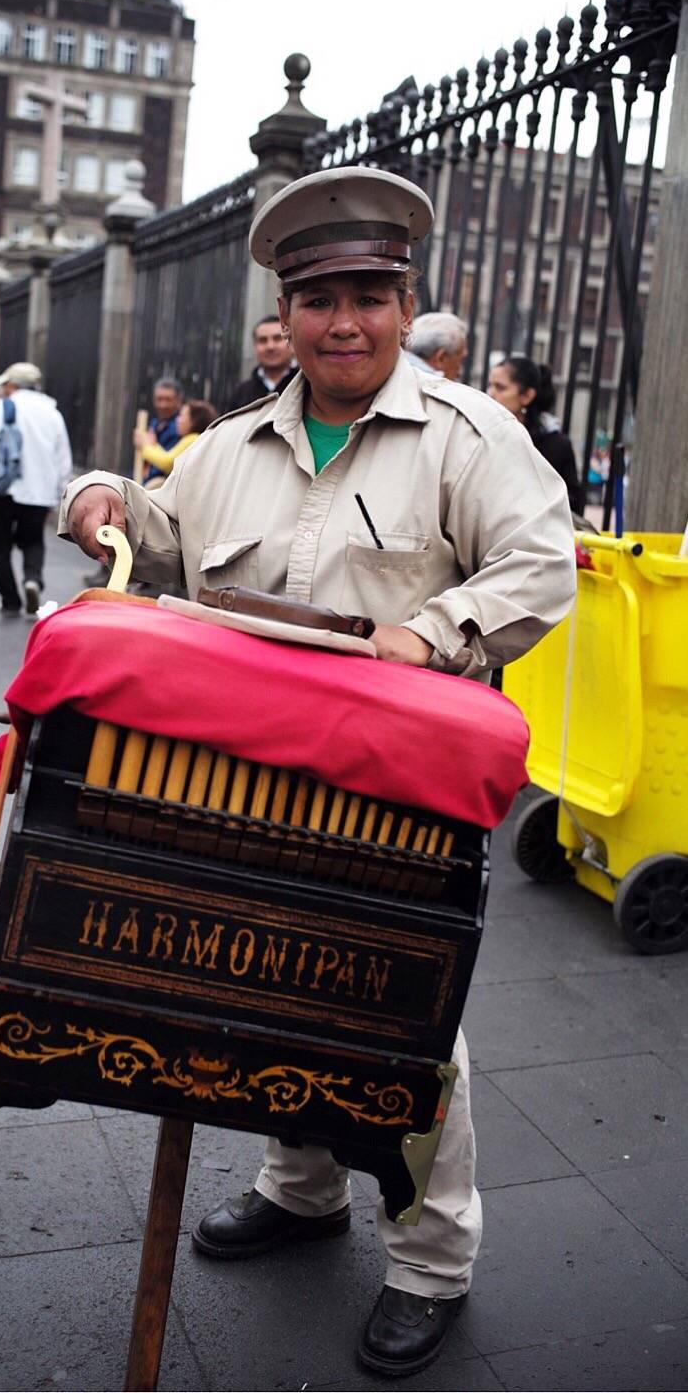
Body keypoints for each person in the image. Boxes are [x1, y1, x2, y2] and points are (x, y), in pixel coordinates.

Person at [59, 167, 576, 1378]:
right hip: (249, 788)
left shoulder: (471, 437)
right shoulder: (231, 445)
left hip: (400, 792)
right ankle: (301, 1189)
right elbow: (166, 544)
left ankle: (433, 1259)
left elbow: (543, 566)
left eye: (371, 295)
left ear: (405, 304)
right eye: (322, 299)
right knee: (268, 987)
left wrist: (430, 631)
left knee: (409, 1020)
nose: (347, 321)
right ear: (284, 317)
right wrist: (101, 495)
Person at [0, 361, 72, 617]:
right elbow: (63, 459)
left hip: (3, 489)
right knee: (33, 540)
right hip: (40, 492)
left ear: (12, 385)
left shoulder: (2, 407)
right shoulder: (53, 413)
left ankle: (10, 599)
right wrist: (62, 493)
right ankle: (32, 580)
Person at [487, 354, 585, 515]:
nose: (490, 393)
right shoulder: (485, 432)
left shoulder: (555, 444)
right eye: (490, 385)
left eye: (500, 387)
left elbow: (571, 502)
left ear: (527, 395)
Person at [132, 397, 217, 485]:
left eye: (181, 416)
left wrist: (145, 446)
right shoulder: (197, 439)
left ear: (194, 421)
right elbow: (168, 457)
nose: (177, 420)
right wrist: (153, 445)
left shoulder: (193, 438)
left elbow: (168, 463)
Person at [225, 314, 297, 410]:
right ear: (255, 347)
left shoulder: (308, 387)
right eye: (263, 340)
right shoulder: (240, 394)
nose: (270, 347)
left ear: (292, 343)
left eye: (277, 338)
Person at [135, 377, 183, 484]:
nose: (163, 405)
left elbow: (169, 465)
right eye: (159, 399)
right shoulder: (155, 423)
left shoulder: (181, 427)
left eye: (168, 400)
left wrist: (146, 445)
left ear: (178, 400)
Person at [406, 311, 469, 380]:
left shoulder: (397, 369)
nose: (459, 373)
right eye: (459, 362)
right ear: (441, 358)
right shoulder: (433, 386)